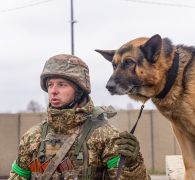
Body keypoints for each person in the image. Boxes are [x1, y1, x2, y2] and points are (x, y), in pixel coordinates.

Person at [9, 54, 150, 180]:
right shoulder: (33, 137)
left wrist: (132, 165)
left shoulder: (105, 136)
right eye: (50, 85)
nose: (53, 91)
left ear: (79, 89)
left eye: (61, 85)